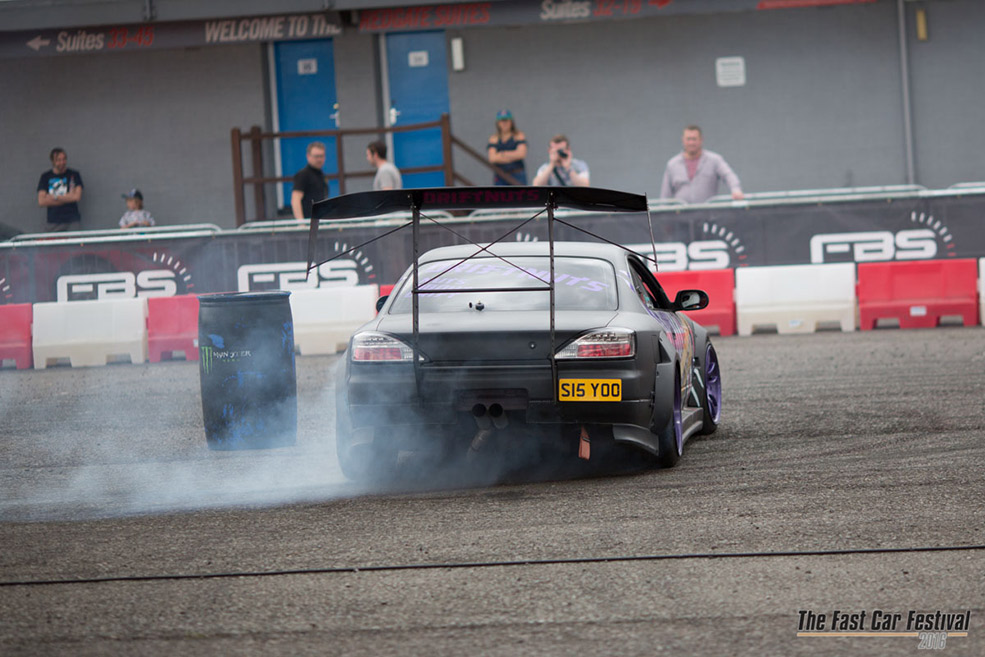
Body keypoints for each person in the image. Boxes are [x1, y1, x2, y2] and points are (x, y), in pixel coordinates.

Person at [661, 125, 744, 203]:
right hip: (680, 212)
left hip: (707, 212)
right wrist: (663, 209)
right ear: (683, 140)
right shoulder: (672, 164)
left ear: (701, 140)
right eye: (688, 139)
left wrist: (736, 190)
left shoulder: (714, 160)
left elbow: (729, 175)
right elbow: (665, 195)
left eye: (694, 139)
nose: (691, 143)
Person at [37, 147, 84, 232]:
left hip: (72, 220)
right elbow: (41, 201)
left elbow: (77, 197)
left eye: (64, 159)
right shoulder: (46, 177)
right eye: (58, 160)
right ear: (52, 161)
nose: (62, 162)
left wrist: (54, 197)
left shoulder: (74, 175)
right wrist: (68, 197)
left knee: (75, 240)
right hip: (53, 221)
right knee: (50, 240)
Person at [486, 109, 527, 185]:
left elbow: (521, 154)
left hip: (517, 174)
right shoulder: (494, 138)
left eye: (506, 121)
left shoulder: (518, 135)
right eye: (502, 121)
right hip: (500, 175)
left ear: (511, 122)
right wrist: (513, 155)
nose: (504, 123)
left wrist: (502, 154)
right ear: (498, 123)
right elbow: (492, 158)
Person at [291, 142, 328, 220]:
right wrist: (301, 223)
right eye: (316, 156)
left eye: (321, 156)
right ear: (308, 156)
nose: (319, 159)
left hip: (320, 220)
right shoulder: (303, 174)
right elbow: (295, 200)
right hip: (308, 221)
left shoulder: (322, 175)